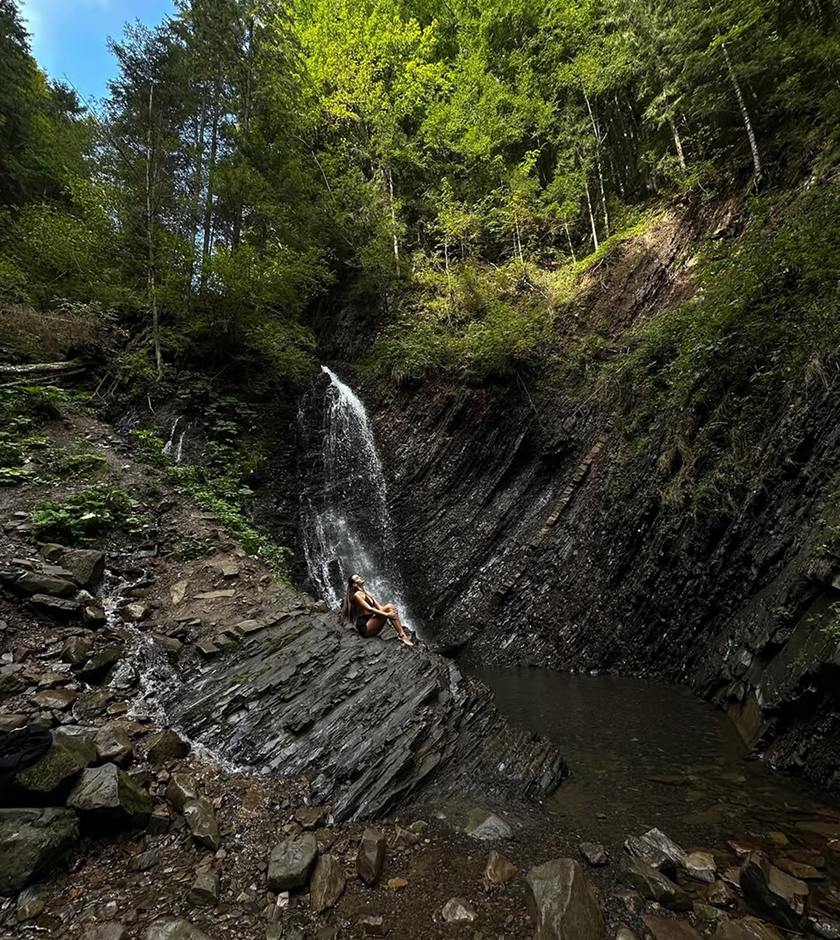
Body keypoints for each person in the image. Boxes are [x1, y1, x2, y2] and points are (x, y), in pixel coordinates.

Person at [340, 574, 413, 646]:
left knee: (390, 606)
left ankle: (402, 635)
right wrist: (387, 614)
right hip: (365, 626)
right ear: (355, 584)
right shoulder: (357, 595)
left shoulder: (367, 593)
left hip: (371, 621)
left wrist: (392, 609)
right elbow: (369, 609)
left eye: (359, 576)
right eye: (357, 578)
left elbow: (380, 608)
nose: (360, 577)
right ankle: (402, 636)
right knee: (389, 607)